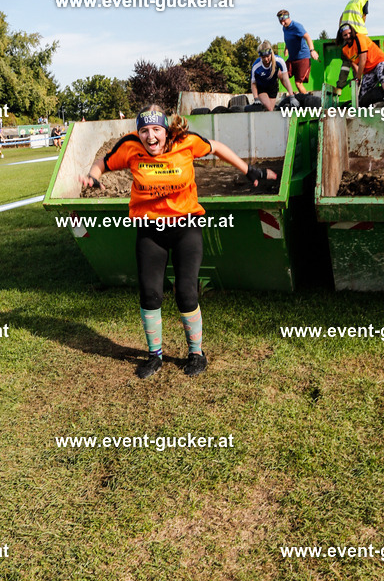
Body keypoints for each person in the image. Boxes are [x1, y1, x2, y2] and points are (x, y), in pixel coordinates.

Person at [78, 106, 277, 379]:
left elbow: (216, 147)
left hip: (186, 227)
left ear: (166, 130)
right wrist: (93, 175)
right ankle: (154, 356)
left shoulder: (184, 142)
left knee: (186, 293)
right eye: (144, 130)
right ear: (139, 132)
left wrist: (250, 170)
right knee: (150, 294)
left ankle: (196, 353)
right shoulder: (130, 147)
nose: (150, 137)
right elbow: (104, 161)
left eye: (156, 129)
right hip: (150, 230)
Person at [337, 24, 384, 104]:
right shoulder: (345, 49)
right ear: (342, 37)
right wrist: (358, 79)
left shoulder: (359, 38)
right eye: (345, 35)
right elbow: (354, 65)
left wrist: (357, 78)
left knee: (382, 76)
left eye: (350, 33)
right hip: (368, 70)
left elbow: (363, 60)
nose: (348, 36)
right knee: (363, 95)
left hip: (379, 61)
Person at [337, 0, 373, 92]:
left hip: (345, 32)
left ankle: (340, 85)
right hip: (357, 33)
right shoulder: (364, 0)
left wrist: (341, 30)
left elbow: (342, 16)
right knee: (357, 60)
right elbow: (364, 15)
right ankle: (359, 83)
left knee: (346, 61)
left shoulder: (351, 1)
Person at [276, 10, 319, 92]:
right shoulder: (284, 28)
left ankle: (307, 100)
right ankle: (292, 94)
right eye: (280, 21)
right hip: (292, 58)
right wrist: (286, 48)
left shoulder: (297, 26)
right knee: (280, 74)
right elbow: (288, 39)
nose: (282, 23)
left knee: (298, 83)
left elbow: (308, 37)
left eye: (284, 21)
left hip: (303, 58)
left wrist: (312, 50)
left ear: (288, 17)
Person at [250, 40, 296, 110]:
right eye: (263, 57)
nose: (266, 59)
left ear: (271, 53)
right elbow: (253, 83)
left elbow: (286, 79)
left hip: (272, 87)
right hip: (261, 88)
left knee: (271, 110)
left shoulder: (279, 61)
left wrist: (292, 96)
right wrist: (256, 98)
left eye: (268, 56)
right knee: (269, 108)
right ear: (260, 56)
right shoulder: (256, 66)